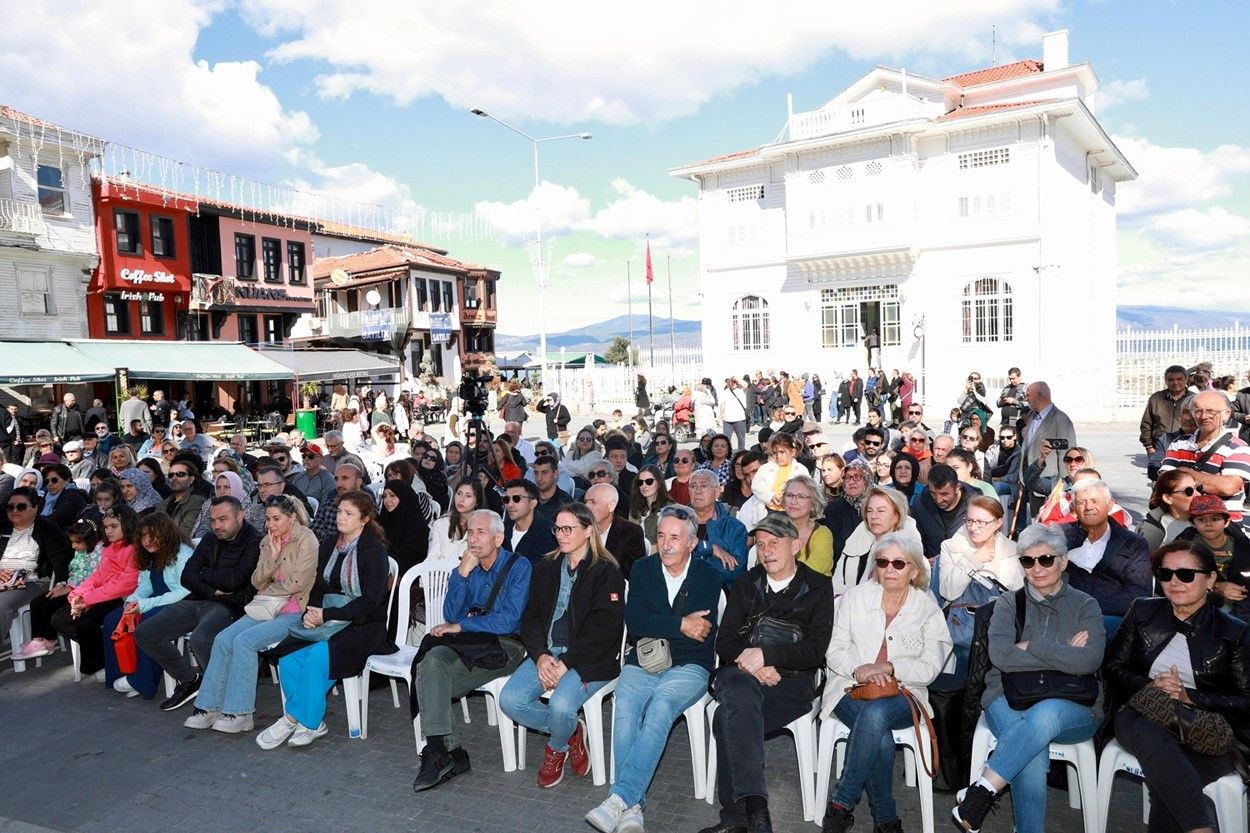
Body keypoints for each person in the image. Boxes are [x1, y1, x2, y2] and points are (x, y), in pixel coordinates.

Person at [952, 523, 1106, 833]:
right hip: (1007, 696)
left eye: (1046, 559)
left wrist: (1033, 645)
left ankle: (981, 791)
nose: (1037, 568)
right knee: (1032, 752)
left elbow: (1089, 660)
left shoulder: (1086, 605)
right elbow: (1002, 657)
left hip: (1074, 705)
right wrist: (1064, 654)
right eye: (1027, 560)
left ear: (1063, 561)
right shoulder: (1009, 604)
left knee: (1046, 713)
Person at [586, 505, 721, 833]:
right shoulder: (644, 569)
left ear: (691, 543)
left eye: (675, 537)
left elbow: (702, 630)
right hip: (644, 659)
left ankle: (619, 799)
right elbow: (634, 621)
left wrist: (665, 623)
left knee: (661, 706)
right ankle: (633, 807)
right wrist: (680, 623)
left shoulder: (708, 575)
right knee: (627, 706)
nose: (666, 544)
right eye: (661, 536)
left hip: (690, 664)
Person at [1104, 540, 1250, 833]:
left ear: (1210, 579)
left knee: (1169, 784)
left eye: (1185, 574)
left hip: (1206, 729)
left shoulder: (1233, 632)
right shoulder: (1142, 611)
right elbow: (1112, 667)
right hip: (1140, 713)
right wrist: (1150, 684)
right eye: (1165, 574)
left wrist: (1189, 696)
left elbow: (1246, 700)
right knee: (1153, 736)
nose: (1174, 582)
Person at [700, 514, 834, 833]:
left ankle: (736, 819)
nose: (767, 550)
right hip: (744, 676)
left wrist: (768, 657)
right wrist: (755, 665)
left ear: (796, 545)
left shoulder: (817, 587)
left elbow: (815, 650)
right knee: (735, 685)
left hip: (791, 683)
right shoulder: (747, 582)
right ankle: (756, 810)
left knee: (725, 718)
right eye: (761, 544)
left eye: (775, 542)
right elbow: (726, 641)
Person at [820, 531, 949, 833]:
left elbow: (930, 667)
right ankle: (885, 818)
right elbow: (833, 650)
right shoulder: (854, 599)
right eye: (883, 562)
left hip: (904, 696)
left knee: (876, 715)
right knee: (880, 736)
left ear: (914, 570)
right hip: (849, 689)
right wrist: (859, 669)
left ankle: (842, 802)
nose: (889, 568)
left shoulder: (927, 610)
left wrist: (891, 667)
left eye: (899, 564)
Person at [499, 502, 626, 789]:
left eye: (569, 528)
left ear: (588, 531)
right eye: (557, 528)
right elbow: (530, 617)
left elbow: (605, 631)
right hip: (548, 652)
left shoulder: (606, 571)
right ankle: (571, 732)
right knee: (510, 700)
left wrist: (567, 663)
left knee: (560, 705)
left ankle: (556, 749)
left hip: (589, 659)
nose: (561, 535)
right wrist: (541, 656)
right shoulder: (546, 566)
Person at [258, 490, 396, 750]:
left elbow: (371, 602)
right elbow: (319, 586)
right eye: (339, 512)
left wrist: (327, 616)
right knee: (288, 655)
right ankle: (311, 720)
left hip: (364, 625)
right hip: (328, 619)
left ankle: (295, 719)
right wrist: (313, 612)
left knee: (318, 655)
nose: (340, 517)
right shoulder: (332, 543)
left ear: (364, 519)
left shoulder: (373, 551)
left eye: (348, 513)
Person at [411, 507, 532, 790]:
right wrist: (462, 574)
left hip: (506, 645)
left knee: (430, 682)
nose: (473, 539)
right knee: (430, 660)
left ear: (499, 538)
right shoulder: (467, 566)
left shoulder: (519, 566)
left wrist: (462, 626)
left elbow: (509, 620)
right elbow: (452, 614)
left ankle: (448, 754)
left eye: (480, 532)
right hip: (469, 644)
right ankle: (442, 752)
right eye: (470, 532)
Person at [183, 494, 318, 733]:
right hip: (265, 606)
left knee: (245, 642)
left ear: (292, 517)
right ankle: (209, 706)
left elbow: (298, 583)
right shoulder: (267, 542)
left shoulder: (306, 539)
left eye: (276, 519)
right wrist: (273, 559)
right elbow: (256, 581)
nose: (271, 525)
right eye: (267, 519)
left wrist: (271, 587)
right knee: (224, 638)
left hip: (296, 610)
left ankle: (240, 712)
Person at [134, 496, 262, 712]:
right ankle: (189, 680)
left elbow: (234, 581)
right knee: (145, 633)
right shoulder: (211, 539)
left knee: (201, 638)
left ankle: (218, 693)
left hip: (230, 606)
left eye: (223, 519)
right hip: (198, 600)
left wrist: (203, 574)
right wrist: (212, 588)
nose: (217, 525)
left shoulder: (254, 541)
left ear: (240, 516)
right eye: (213, 520)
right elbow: (187, 576)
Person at [102, 512, 194, 699]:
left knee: (146, 626)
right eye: (143, 535)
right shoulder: (147, 555)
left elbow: (184, 591)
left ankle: (142, 681)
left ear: (166, 534)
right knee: (112, 620)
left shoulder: (183, 554)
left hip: (179, 604)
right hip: (154, 601)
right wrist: (132, 600)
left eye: (153, 535)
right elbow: (145, 585)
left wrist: (144, 604)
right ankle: (121, 672)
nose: (147, 540)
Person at [49, 505, 140, 679]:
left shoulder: (133, 549)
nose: (109, 531)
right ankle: (101, 651)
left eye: (114, 526)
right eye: (106, 527)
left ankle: (99, 660)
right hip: (102, 594)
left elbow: (124, 584)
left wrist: (88, 599)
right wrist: (77, 595)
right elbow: (98, 576)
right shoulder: (108, 547)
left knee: (85, 623)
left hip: (123, 597)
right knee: (59, 619)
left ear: (127, 525)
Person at [1060, 479, 1152, 636]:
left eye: (1095, 501)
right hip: (1064, 616)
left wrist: (1089, 609)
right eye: (1082, 502)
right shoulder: (1059, 537)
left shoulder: (1132, 543)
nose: (1089, 507)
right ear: (1074, 508)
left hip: (1111, 621)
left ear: (1110, 504)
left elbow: (1139, 593)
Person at [12, 519, 103, 661]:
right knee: (38, 602)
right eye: (72, 542)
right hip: (72, 586)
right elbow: (75, 572)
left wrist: (69, 588)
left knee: (50, 604)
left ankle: (47, 640)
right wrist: (64, 585)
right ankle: (40, 640)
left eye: (77, 542)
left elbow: (93, 578)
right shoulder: (81, 551)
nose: (73, 546)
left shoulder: (99, 552)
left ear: (89, 540)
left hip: (85, 592)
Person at [1160, 391, 1250, 523]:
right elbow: (1166, 480)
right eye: (1198, 411)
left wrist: (1184, 472)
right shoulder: (1179, 443)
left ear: (1227, 414)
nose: (1203, 416)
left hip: (1223, 525)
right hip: (1182, 521)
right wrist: (1214, 481)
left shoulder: (1238, 447)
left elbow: (1228, 487)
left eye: (1211, 411)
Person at [0, 486, 73, 637]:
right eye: (10, 507)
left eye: (21, 506)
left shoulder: (46, 528)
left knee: (1, 606)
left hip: (31, 582)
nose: (15, 510)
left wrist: (61, 583)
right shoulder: (3, 528)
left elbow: (59, 558)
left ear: (35, 508)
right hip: (2, 580)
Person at [1177, 493, 1250, 620]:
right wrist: (1216, 586)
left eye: (1215, 519)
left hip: (1241, 605)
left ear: (1227, 522)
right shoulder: (1185, 545)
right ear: (1193, 523)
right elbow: (1174, 578)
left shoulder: (1242, 545)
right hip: (1200, 605)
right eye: (1201, 520)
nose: (1208, 524)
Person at [834, 486, 917, 597]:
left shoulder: (908, 549)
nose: (873, 516)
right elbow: (837, 583)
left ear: (897, 516)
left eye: (881, 511)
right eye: (869, 511)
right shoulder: (857, 539)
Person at [1018, 381, 1078, 515]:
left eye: (1028, 395)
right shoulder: (1032, 416)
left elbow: (1067, 454)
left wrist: (1064, 486)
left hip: (1050, 486)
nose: (1026, 399)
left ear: (1039, 396)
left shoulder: (1061, 419)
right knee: (1036, 522)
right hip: (1031, 480)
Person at [911, 463, 975, 561]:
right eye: (933, 493)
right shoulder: (920, 503)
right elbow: (915, 540)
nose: (938, 500)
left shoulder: (975, 505)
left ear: (957, 488)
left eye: (944, 494)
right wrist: (923, 560)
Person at [585, 482, 647, 580]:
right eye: (585, 501)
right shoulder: (580, 528)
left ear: (611, 506)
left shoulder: (630, 532)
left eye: (593, 502)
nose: (587, 507)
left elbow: (631, 572)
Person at [1140, 365, 1192, 479]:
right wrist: (1149, 447)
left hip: (1186, 448)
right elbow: (1146, 424)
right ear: (1166, 380)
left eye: (1179, 379)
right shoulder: (1156, 398)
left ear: (1186, 379)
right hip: (1160, 448)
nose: (1175, 382)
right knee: (1158, 480)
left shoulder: (1194, 399)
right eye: (1171, 380)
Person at [779, 474, 833, 577]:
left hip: (814, 591)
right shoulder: (774, 530)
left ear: (813, 504)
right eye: (789, 495)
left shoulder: (823, 534)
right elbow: (763, 568)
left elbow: (810, 574)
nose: (793, 501)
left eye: (801, 497)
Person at [378, 479, 431, 577]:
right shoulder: (383, 519)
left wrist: (395, 574)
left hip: (406, 576)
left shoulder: (416, 526)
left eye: (392, 495)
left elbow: (413, 557)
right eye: (384, 496)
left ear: (404, 497)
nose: (387, 500)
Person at [1136, 469, 1197, 552]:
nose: (1198, 494)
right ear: (1168, 498)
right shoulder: (1152, 530)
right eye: (1189, 491)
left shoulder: (1209, 520)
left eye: (1198, 488)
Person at [499, 478, 557, 565]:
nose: (509, 504)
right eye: (507, 499)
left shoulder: (548, 533)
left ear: (532, 503)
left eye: (516, 498)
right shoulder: (502, 529)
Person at [191, 471, 265, 539]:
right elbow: (202, 530)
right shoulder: (210, 505)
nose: (222, 492)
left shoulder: (249, 509)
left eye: (227, 487)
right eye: (218, 487)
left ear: (236, 487)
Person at [428, 480, 486, 563]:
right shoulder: (441, 523)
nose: (461, 500)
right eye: (459, 494)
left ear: (477, 501)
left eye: (468, 496)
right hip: (438, 574)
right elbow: (431, 557)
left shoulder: (482, 528)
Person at [750, 433, 810, 513]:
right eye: (775, 453)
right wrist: (770, 496)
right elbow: (756, 486)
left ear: (792, 452)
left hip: (791, 511)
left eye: (782, 452)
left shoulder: (801, 470)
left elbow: (806, 490)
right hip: (768, 510)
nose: (778, 456)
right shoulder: (766, 468)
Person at [159, 459, 207, 540]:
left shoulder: (197, 501)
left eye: (180, 474)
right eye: (171, 475)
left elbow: (184, 534)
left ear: (192, 479)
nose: (174, 478)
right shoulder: (163, 503)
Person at [628, 463, 673, 548]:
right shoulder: (635, 507)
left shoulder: (669, 509)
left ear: (659, 483)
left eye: (649, 481)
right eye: (640, 482)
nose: (644, 486)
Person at [38, 463, 88, 531]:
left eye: (54, 480)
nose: (50, 484)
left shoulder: (74, 496)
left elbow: (56, 519)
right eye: (47, 481)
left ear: (67, 480)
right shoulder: (47, 496)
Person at [721, 377, 750, 451]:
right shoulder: (725, 392)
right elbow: (722, 405)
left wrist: (737, 379)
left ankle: (741, 455)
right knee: (726, 440)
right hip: (727, 420)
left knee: (741, 440)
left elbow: (746, 385)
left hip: (739, 419)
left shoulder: (741, 390)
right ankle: (727, 456)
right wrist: (721, 417)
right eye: (731, 382)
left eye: (734, 382)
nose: (733, 383)